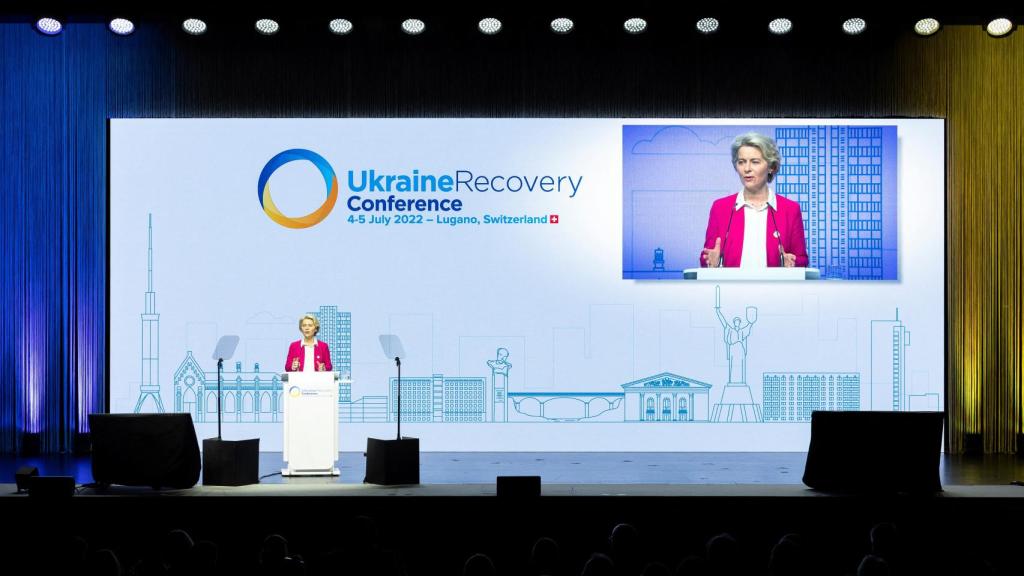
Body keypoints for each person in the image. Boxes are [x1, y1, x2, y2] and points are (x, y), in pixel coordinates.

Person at [700, 132, 808, 268]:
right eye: (741, 162)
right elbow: (707, 257)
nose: (747, 169)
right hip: (731, 288)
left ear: (771, 167)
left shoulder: (790, 209)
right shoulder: (720, 207)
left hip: (774, 288)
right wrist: (711, 262)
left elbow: (802, 260)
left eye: (755, 162)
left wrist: (792, 263)